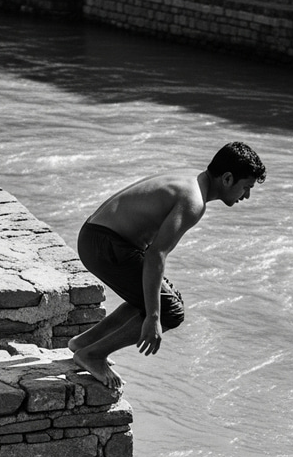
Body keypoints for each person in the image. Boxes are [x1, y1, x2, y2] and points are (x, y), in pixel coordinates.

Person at [69, 141, 266, 389]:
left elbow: (151, 255)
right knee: (170, 311)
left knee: (157, 296)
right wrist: (153, 317)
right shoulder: (193, 201)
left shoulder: (190, 180)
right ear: (227, 178)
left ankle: (84, 343)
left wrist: (153, 305)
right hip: (104, 245)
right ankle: (92, 355)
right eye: (246, 187)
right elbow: (156, 255)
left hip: (96, 239)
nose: (246, 196)